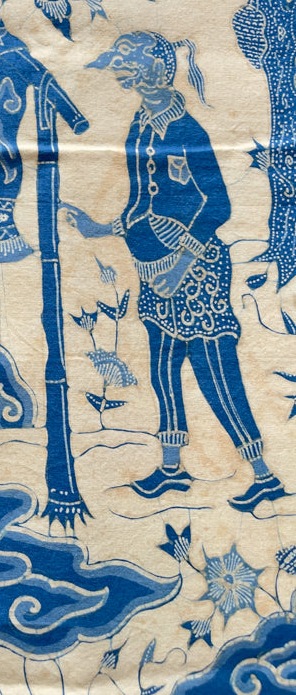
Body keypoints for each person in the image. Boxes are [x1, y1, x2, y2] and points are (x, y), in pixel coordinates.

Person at [62, 31, 286, 514]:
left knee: (214, 371)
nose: (119, 68)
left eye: (129, 61)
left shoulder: (187, 130)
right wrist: (101, 228)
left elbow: (218, 206)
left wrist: (182, 262)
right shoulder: (140, 125)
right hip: (151, 266)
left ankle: (264, 476)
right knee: (163, 369)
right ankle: (171, 469)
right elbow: (141, 203)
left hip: (196, 268)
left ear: (157, 70)